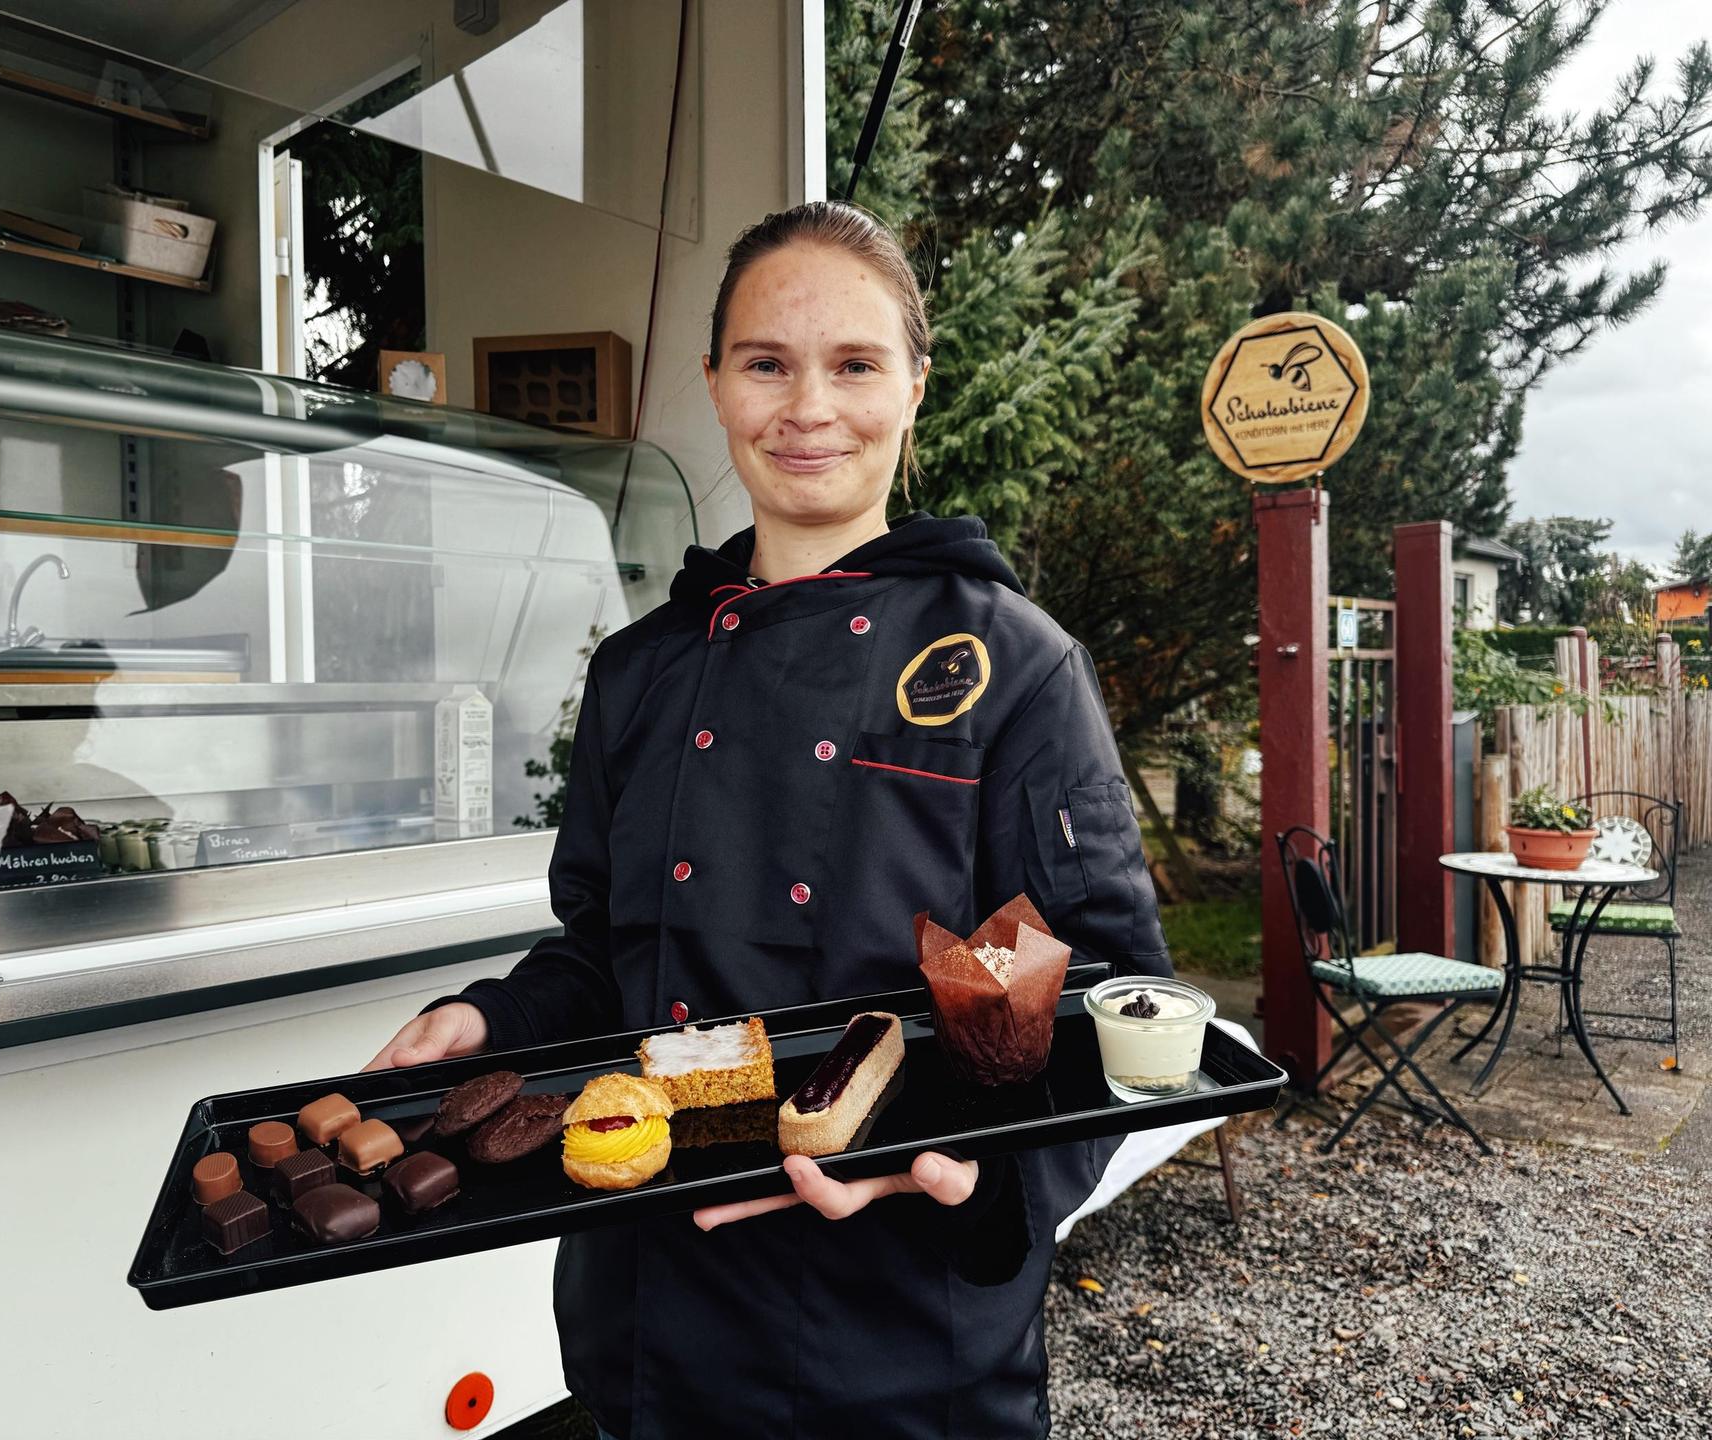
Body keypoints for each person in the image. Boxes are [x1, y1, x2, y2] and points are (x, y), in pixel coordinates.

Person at [367, 201, 1173, 1440]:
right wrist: (489, 1018)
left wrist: (969, 1169)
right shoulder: (640, 669)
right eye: (766, 363)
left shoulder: (1009, 660)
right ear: (715, 383)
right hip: (645, 1308)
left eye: (854, 364)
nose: (809, 407)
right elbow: (602, 951)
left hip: (899, 1332)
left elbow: (1104, 994)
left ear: (913, 386)